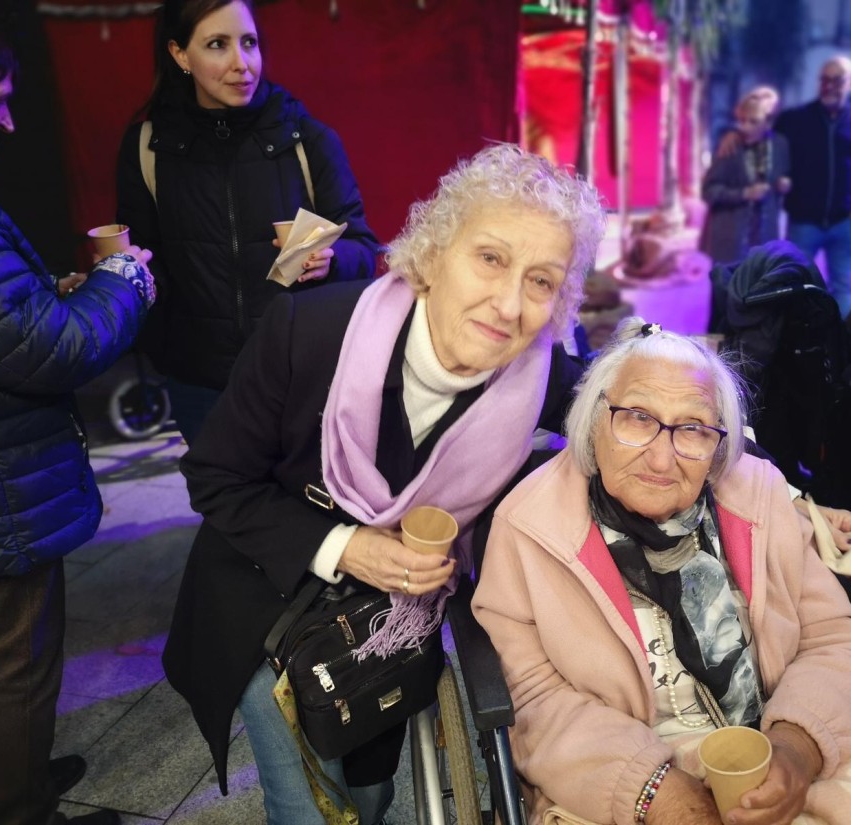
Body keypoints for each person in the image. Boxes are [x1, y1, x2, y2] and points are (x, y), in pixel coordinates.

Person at [161, 144, 606, 823]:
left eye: (542, 281)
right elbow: (216, 475)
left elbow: (630, 403)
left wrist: (751, 466)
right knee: (307, 809)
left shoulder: (539, 377)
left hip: (390, 622)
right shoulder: (307, 333)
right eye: (490, 258)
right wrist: (346, 546)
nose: (509, 303)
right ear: (435, 252)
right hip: (265, 598)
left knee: (370, 794)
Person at [472, 318, 851, 825]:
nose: (662, 459)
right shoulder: (530, 527)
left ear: (717, 447)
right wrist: (660, 795)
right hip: (623, 771)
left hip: (776, 736)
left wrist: (797, 747)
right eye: (638, 418)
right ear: (594, 420)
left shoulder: (759, 497)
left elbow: (834, 641)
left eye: (692, 428)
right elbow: (534, 702)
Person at [0, 20, 155, 825]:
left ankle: (10, 781)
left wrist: (51, 292)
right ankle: (18, 809)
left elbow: (0, 322)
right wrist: (121, 281)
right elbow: (43, 350)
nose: (9, 119)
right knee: (13, 662)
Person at [116, 0, 379, 444]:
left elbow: (365, 249)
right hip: (199, 383)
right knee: (220, 488)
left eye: (250, 42)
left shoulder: (309, 140)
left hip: (299, 377)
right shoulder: (147, 148)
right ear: (180, 54)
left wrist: (331, 259)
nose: (242, 63)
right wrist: (116, 280)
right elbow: (144, 262)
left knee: (306, 489)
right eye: (217, 45)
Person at [773, 56, 851, 319]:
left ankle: (840, 342)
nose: (829, 86)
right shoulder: (794, 119)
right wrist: (733, 136)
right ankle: (796, 340)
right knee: (795, 287)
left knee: (843, 288)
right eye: (824, 79)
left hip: (845, 223)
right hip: (803, 222)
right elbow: (765, 145)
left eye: (837, 80)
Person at [700, 87, 791, 265]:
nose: (745, 127)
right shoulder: (730, 146)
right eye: (741, 120)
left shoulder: (780, 145)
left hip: (764, 240)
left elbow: (782, 178)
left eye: (753, 121)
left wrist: (783, 184)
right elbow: (708, 191)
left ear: (768, 122)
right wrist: (744, 193)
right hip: (730, 240)